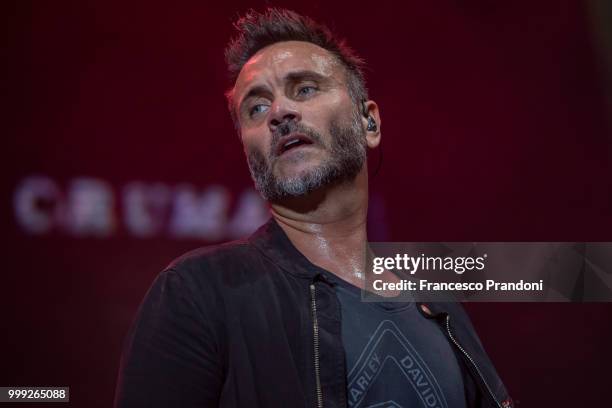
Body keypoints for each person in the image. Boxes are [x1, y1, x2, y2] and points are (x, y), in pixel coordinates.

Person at [114, 8, 513, 408]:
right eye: (256, 108)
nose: (279, 114)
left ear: (368, 123)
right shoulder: (197, 292)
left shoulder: (440, 307)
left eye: (304, 89)